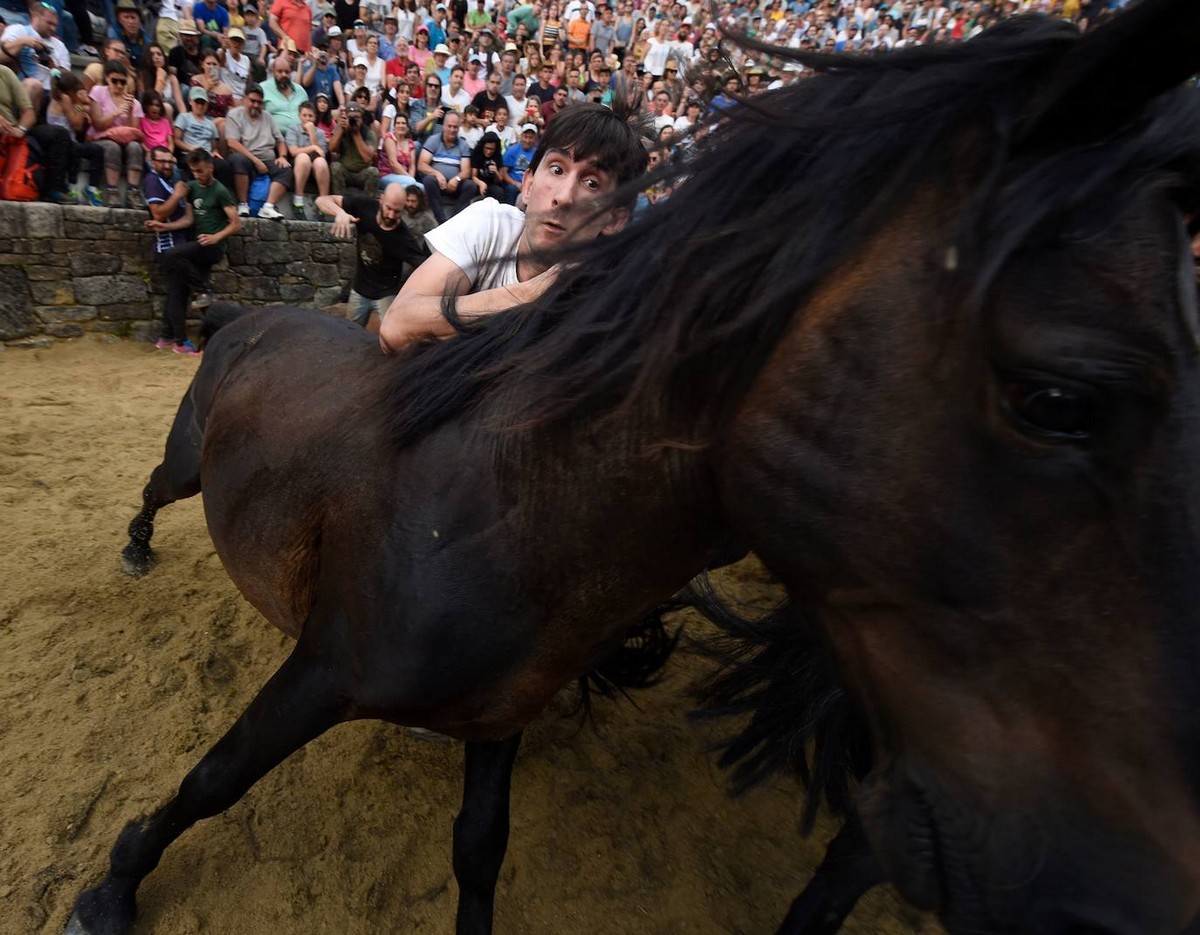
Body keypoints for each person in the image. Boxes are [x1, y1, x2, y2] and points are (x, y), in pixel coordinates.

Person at [380, 102, 645, 351]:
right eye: (556, 169)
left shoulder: (609, 303)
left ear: (615, 218)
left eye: (592, 183)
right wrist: (533, 293)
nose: (564, 197)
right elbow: (396, 327)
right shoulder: (491, 223)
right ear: (528, 185)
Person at [154, 147, 240, 354]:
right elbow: (189, 219)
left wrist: (215, 237)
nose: (197, 175)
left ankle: (203, 290)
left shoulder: (220, 190)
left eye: (200, 171)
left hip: (212, 248)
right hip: (196, 247)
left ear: (210, 167)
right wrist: (165, 227)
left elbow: (236, 224)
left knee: (170, 255)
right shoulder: (192, 187)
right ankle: (178, 337)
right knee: (180, 290)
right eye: (193, 171)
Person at [315, 181, 429, 328]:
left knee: (391, 336)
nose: (391, 215)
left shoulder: (403, 237)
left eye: (397, 211)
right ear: (381, 199)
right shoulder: (365, 206)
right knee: (349, 332)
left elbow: (425, 266)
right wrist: (340, 213)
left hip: (386, 294)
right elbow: (321, 200)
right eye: (388, 208)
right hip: (360, 289)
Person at [141, 146, 196, 350]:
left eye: (169, 161)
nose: (166, 165)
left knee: (177, 291)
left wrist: (167, 225)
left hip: (179, 243)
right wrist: (176, 196)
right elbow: (158, 214)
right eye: (162, 161)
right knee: (178, 293)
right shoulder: (152, 181)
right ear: (152, 162)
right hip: (167, 246)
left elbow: (188, 219)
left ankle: (166, 337)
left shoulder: (175, 180)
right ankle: (180, 341)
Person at [220, 81, 293, 219]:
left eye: (259, 102)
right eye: (252, 101)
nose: (256, 105)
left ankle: (268, 207)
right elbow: (232, 142)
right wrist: (255, 161)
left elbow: (280, 140)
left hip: (268, 160)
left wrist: (282, 156)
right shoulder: (234, 115)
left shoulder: (268, 117)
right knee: (238, 159)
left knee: (286, 169)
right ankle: (243, 204)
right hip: (247, 158)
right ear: (244, 99)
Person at [87, 60, 145, 207]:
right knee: (112, 147)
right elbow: (97, 124)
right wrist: (116, 113)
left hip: (124, 139)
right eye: (115, 81)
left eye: (122, 82)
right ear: (107, 78)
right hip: (100, 137)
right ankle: (112, 191)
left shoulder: (134, 102)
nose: (119, 85)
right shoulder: (98, 92)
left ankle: (133, 192)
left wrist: (130, 110)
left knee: (135, 148)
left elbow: (133, 131)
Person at [416, 107, 470, 222]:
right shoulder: (433, 140)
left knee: (470, 186)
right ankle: (441, 218)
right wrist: (437, 174)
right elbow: (421, 164)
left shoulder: (463, 144)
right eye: (449, 126)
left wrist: (457, 179)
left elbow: (466, 171)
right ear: (444, 126)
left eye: (455, 127)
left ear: (459, 128)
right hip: (437, 183)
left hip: (454, 185)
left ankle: (455, 219)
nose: (452, 130)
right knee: (428, 181)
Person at [284, 98, 330, 215]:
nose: (307, 119)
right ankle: (298, 201)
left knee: (321, 162)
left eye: (310, 116)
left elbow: (321, 154)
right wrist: (313, 148)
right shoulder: (293, 129)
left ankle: (323, 203)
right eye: (305, 115)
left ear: (315, 118)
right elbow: (293, 151)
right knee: (303, 157)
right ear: (299, 116)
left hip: (315, 165)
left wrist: (312, 134)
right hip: (298, 164)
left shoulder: (319, 133)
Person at [329, 99, 379, 196]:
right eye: (351, 117)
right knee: (335, 167)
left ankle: (368, 205)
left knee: (374, 172)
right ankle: (339, 203)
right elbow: (332, 149)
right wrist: (341, 130)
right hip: (345, 171)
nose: (354, 120)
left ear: (362, 118)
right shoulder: (340, 128)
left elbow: (368, 158)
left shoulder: (368, 133)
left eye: (357, 117)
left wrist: (356, 133)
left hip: (362, 173)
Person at [261, 54, 303, 133]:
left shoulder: (300, 91)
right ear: (273, 72)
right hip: (274, 137)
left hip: (300, 138)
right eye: (280, 71)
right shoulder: (263, 88)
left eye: (287, 72)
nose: (284, 75)